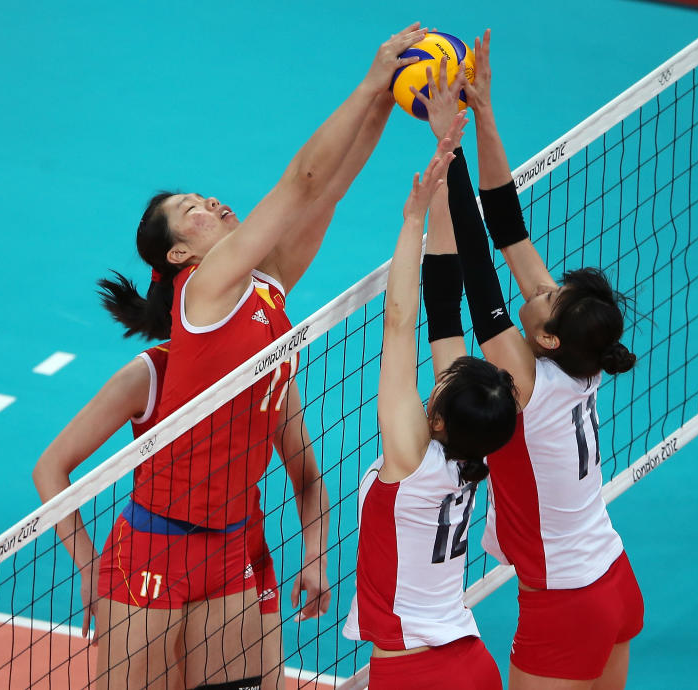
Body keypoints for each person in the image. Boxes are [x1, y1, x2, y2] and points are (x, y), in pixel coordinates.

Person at [33, 23, 429, 690]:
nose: (210, 205)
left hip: (235, 545)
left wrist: (388, 99)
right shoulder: (204, 292)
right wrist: (366, 83)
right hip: (153, 552)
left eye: (203, 199)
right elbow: (301, 184)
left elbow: (326, 192)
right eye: (191, 213)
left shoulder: (265, 291)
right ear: (181, 258)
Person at [412, 33, 644, 690]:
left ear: (544, 336)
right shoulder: (581, 354)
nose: (536, 286)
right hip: (614, 579)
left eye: (543, 295)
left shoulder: (523, 382)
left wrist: (445, 147)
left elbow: (480, 268)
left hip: (565, 602)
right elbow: (507, 220)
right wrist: (483, 115)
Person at [342, 116, 517, 690]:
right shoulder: (472, 447)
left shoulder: (411, 455)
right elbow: (442, 305)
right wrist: (445, 166)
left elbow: (400, 327)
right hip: (471, 664)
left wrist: (411, 215)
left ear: (438, 416)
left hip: (413, 675)